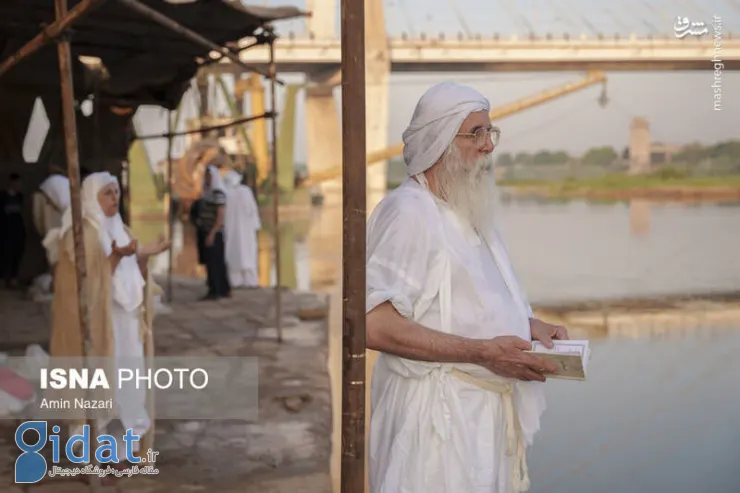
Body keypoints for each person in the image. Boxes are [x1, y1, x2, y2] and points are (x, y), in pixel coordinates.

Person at [365, 82, 569, 493]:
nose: (488, 145)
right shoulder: (410, 213)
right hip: (434, 425)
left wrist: (528, 325)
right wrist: (480, 352)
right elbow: (373, 324)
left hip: (479, 416)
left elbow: (464, 299)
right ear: (440, 141)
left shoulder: (464, 210)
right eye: (474, 133)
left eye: (489, 132)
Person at [44, 172, 170, 468]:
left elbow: (135, 282)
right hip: (102, 328)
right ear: (91, 198)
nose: (115, 198)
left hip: (127, 327)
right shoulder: (81, 234)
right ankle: (93, 458)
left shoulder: (121, 229)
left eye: (116, 192)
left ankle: (121, 453)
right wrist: (114, 259)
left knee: (128, 388)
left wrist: (142, 257)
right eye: (108, 193)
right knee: (100, 389)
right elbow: (83, 289)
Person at [223, 169, 261, 288]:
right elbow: (253, 210)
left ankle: (235, 282)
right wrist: (255, 226)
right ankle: (251, 281)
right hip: (247, 230)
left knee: (233, 254)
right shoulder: (246, 192)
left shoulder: (226, 193)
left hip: (231, 230)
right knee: (248, 253)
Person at [197, 165, 230, 300]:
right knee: (211, 262)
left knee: (216, 262)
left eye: (210, 176)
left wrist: (212, 233)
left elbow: (220, 216)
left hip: (214, 232)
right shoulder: (207, 192)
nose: (208, 178)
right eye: (206, 176)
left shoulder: (218, 192)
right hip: (206, 230)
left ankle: (217, 290)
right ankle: (218, 288)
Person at [0, 173, 26, 289]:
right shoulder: (2, 196)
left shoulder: (19, 196)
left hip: (17, 229)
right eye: (17, 183)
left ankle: (14, 278)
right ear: (12, 183)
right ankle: (2, 279)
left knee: (17, 254)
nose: (19, 186)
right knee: (4, 254)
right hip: (5, 230)